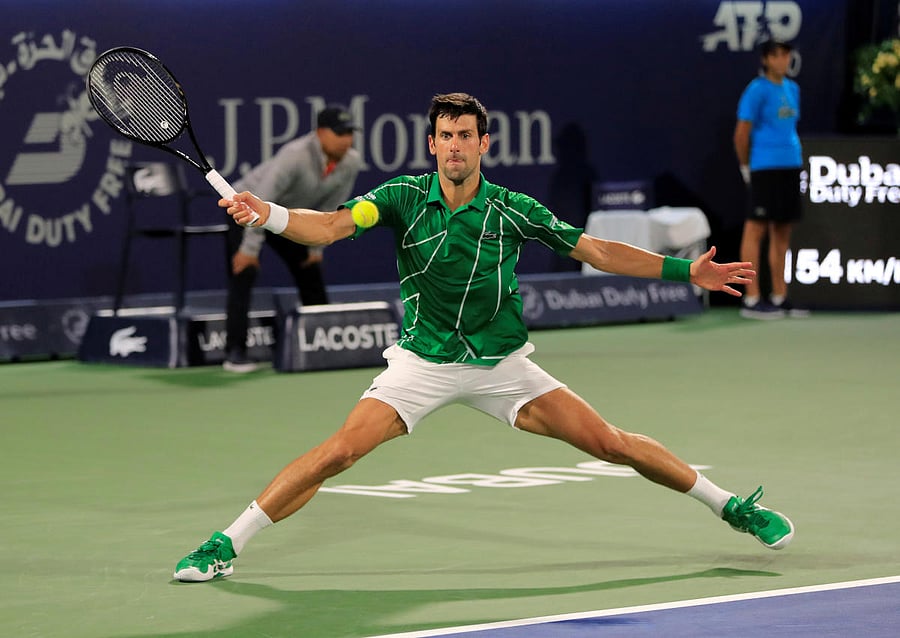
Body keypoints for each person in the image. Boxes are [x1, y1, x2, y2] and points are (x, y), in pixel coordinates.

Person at [174, 93, 794, 582]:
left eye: (465, 136)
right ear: (432, 143)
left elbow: (598, 249)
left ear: (482, 143)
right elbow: (332, 225)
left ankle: (730, 505)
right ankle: (225, 542)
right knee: (340, 452)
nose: (454, 148)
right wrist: (272, 215)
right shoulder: (399, 197)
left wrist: (688, 270)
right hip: (422, 362)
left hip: (503, 364)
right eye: (445, 136)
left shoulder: (513, 209)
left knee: (609, 442)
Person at [222, 105, 363, 372]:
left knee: (311, 270)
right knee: (245, 271)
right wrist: (250, 250)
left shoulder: (351, 161)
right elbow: (261, 198)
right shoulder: (295, 156)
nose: (347, 139)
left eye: (350, 133)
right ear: (320, 133)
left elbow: (332, 206)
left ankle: (324, 345)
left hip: (288, 215)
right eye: (340, 133)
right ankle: (235, 352)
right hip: (246, 207)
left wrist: (316, 248)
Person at [733, 39, 808, 319]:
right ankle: (751, 299)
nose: (783, 59)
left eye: (787, 54)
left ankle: (780, 295)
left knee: (782, 232)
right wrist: (745, 167)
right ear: (766, 59)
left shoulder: (793, 89)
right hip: (764, 167)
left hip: (790, 166)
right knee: (756, 230)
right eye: (777, 55)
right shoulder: (756, 90)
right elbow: (741, 134)